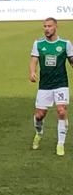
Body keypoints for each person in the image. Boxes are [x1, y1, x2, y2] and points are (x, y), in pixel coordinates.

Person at [30, 17, 73, 156]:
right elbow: (34, 60)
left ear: (55, 27)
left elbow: (71, 60)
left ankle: (60, 144)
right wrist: (32, 72)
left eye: (49, 26)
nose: (47, 29)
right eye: (45, 26)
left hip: (61, 84)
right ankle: (39, 132)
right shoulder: (38, 44)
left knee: (61, 111)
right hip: (45, 86)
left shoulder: (65, 44)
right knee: (39, 116)